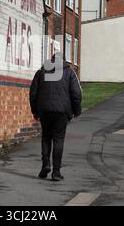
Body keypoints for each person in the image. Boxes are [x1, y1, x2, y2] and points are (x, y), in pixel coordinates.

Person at [29, 53, 82, 181]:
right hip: (62, 112)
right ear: (63, 61)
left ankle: (45, 165)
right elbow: (76, 94)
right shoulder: (69, 72)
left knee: (46, 137)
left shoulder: (41, 72)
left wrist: (35, 111)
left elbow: (33, 93)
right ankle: (56, 172)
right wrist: (77, 111)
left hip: (45, 111)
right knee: (58, 139)